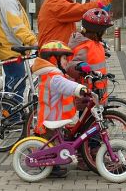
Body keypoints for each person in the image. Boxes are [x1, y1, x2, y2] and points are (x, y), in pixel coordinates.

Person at [32, 40, 88, 177]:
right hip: (50, 118)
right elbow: (66, 86)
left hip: (50, 116)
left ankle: (51, 164)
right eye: (64, 58)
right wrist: (81, 89)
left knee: (53, 142)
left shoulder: (52, 74)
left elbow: (65, 82)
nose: (66, 62)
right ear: (53, 59)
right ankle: (50, 168)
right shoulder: (54, 77)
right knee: (51, 144)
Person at [38, 0, 120, 46]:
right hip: (54, 55)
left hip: (55, 51)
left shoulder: (53, 1)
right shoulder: (56, 4)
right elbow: (83, 10)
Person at [0, 0, 37, 104]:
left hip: (13, 46)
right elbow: (16, 26)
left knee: (18, 83)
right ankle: (10, 117)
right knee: (15, 82)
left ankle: (14, 113)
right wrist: (32, 41)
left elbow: (21, 24)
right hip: (9, 47)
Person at [66, 7, 113, 100]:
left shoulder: (95, 43)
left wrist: (103, 50)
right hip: (87, 96)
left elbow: (94, 59)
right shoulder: (85, 47)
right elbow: (70, 67)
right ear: (97, 31)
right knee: (86, 115)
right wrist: (79, 66)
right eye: (103, 31)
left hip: (98, 92)